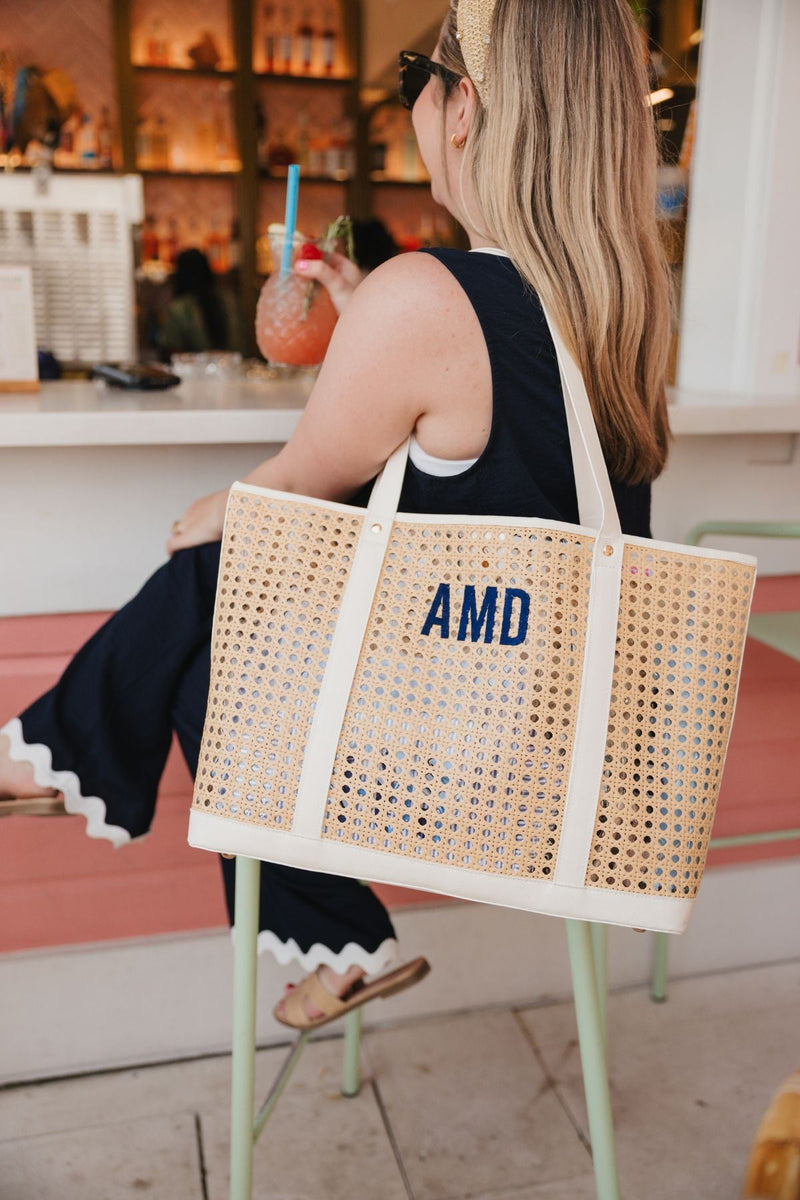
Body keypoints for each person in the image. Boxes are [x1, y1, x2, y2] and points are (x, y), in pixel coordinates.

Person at [0, 0, 671, 1030]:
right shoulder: (621, 309)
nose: (412, 107)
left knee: (214, 579)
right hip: (564, 758)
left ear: (463, 111)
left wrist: (215, 506)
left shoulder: (425, 295)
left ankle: (62, 753)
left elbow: (288, 490)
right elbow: (486, 437)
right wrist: (372, 317)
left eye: (415, 81)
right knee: (230, 620)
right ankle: (81, 766)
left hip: (441, 773)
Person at [159, 247, 239, 356]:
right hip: (232, 368)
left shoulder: (180, 308)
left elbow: (173, 350)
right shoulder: (228, 300)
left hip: (194, 371)